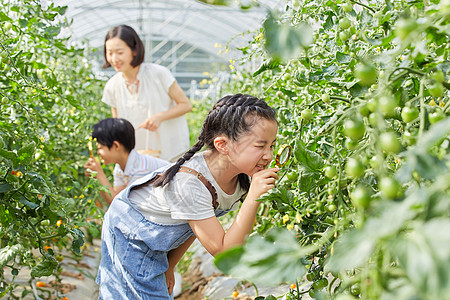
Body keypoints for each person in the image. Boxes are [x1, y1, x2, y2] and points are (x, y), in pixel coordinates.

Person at [96, 94, 279, 299]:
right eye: (260, 146)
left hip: (155, 237)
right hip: (130, 232)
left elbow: (191, 224)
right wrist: (254, 196)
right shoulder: (191, 183)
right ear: (222, 145)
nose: (269, 155)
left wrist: (170, 265)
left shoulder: (239, 178)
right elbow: (224, 252)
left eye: (271, 146)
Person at [101, 24, 192, 162]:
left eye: (120, 53)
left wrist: (159, 117)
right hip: (139, 158)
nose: (114, 59)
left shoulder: (158, 74)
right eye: (110, 53)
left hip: (171, 153)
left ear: (135, 50)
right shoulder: (112, 86)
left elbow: (185, 105)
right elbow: (118, 127)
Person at [84, 118, 168, 205]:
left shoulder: (140, 170)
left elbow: (122, 206)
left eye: (100, 148)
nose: (98, 152)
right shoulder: (120, 166)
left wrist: (100, 174)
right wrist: (96, 177)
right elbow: (116, 198)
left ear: (116, 146)